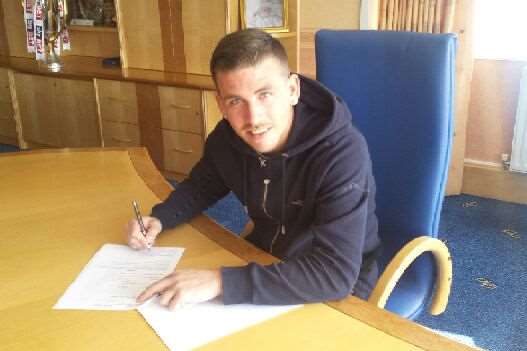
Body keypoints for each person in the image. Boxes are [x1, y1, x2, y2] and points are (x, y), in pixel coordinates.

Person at [126, 29, 381, 310]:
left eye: (264, 94)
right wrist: (161, 218)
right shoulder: (227, 139)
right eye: (236, 101)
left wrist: (220, 282)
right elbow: (202, 186)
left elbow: (335, 275)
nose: (253, 119)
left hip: (334, 283)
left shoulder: (341, 153)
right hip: (266, 257)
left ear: (292, 90)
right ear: (221, 104)